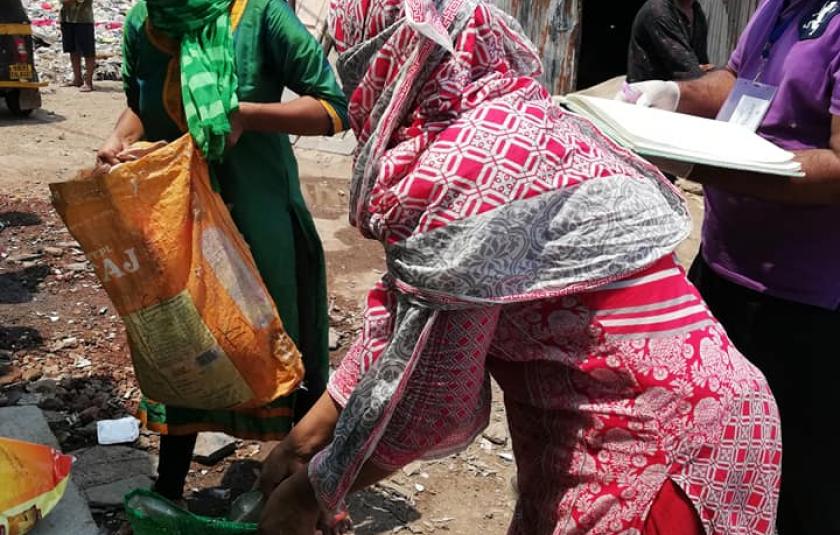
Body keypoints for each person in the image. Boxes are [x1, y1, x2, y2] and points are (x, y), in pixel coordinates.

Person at [256, 0, 782, 532]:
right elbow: (408, 325)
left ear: (385, 56)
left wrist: (314, 490)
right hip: (697, 415)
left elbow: (433, 403)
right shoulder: (519, 128)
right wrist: (305, 443)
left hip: (655, 444)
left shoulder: (456, 176)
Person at [96, 0, 349, 504]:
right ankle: (168, 489)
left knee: (279, 342)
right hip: (177, 224)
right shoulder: (144, 20)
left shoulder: (258, 15)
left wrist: (243, 116)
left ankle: (316, 492)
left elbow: (332, 109)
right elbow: (139, 104)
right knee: (183, 346)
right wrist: (117, 139)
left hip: (257, 218)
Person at [618, 0, 840, 532]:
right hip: (720, 271)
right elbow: (739, 83)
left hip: (805, 305)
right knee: (715, 462)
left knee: (800, 485)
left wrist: (705, 167)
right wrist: (676, 95)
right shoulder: (780, 6)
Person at [627, 0, 712, 83]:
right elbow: (687, 69)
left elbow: (702, 64)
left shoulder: (696, 10)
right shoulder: (657, 8)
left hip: (678, 89)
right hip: (649, 91)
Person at [60, 0, 96, 91]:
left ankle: (88, 82)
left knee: (88, 52)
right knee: (72, 49)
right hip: (67, 18)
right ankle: (77, 79)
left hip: (83, 20)